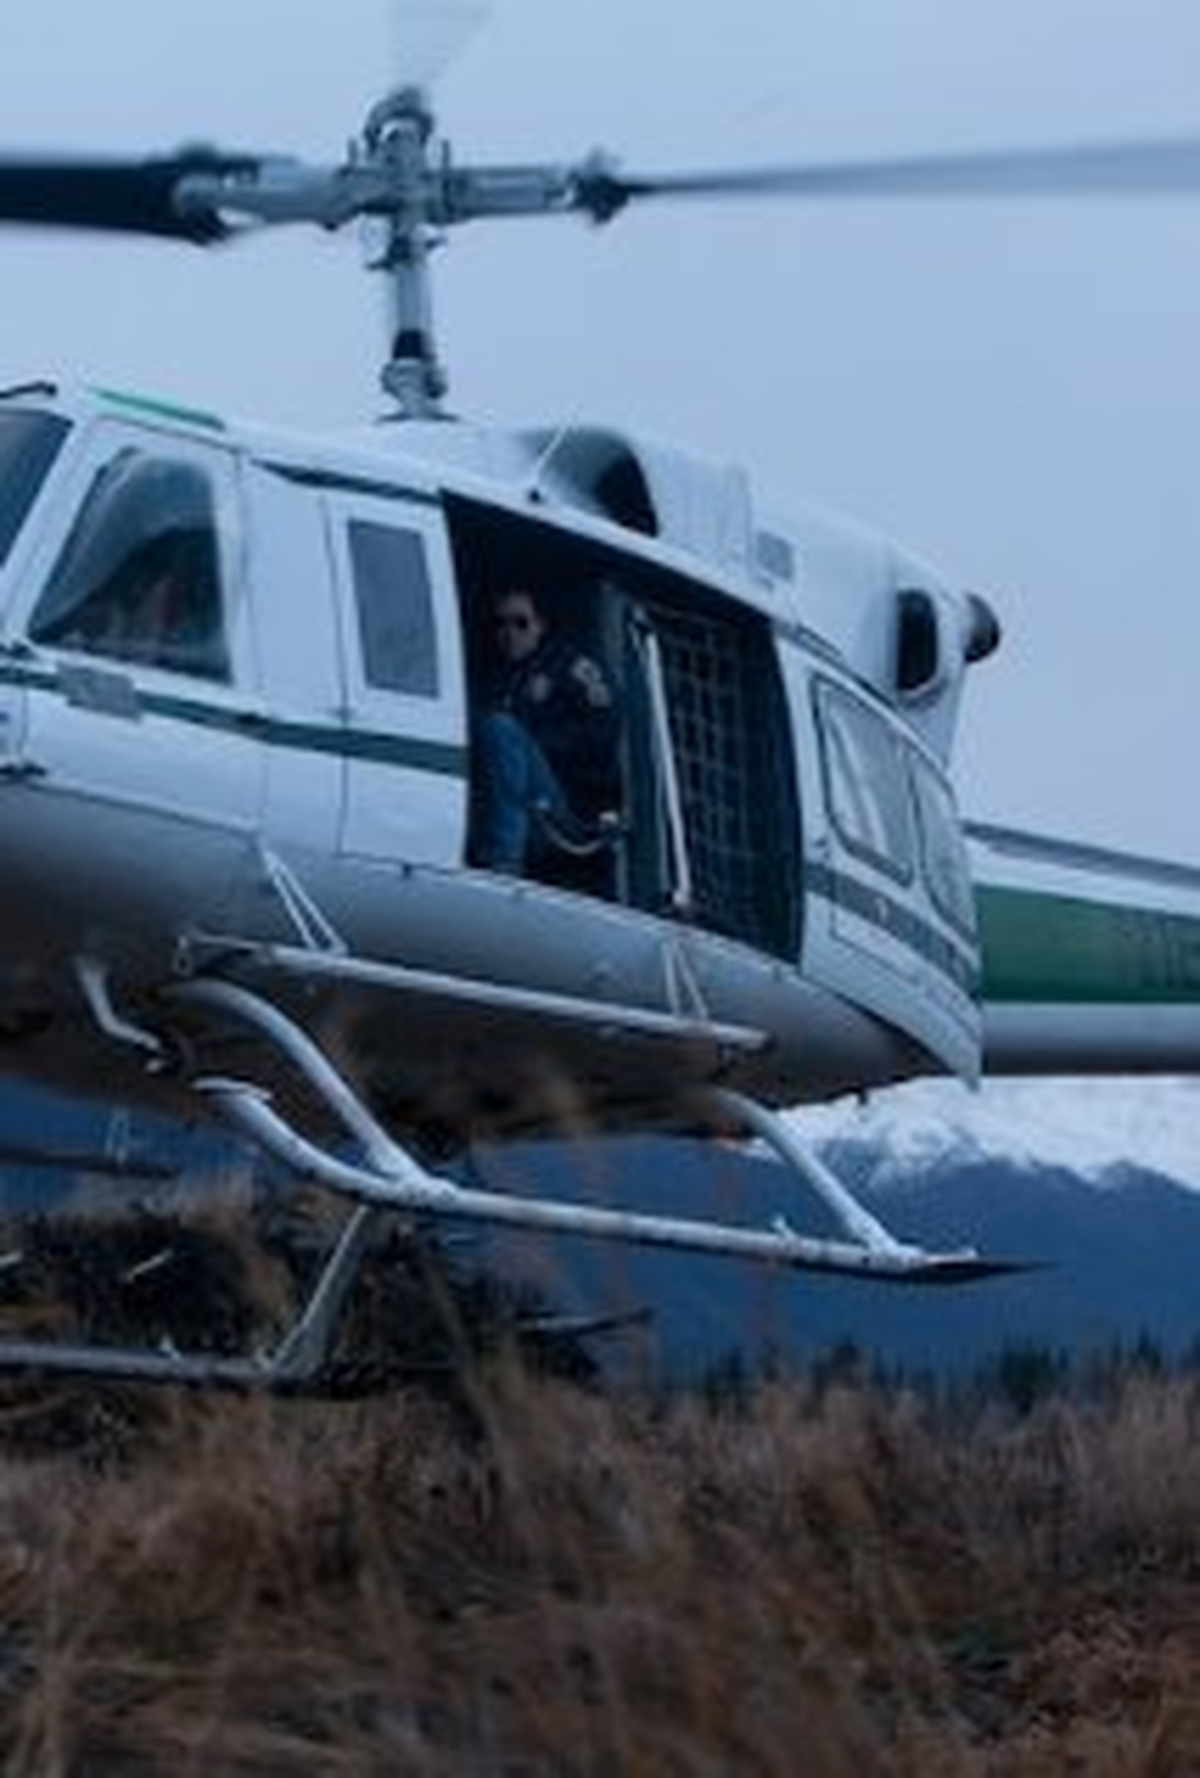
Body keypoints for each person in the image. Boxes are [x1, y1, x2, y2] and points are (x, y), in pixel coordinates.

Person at [472, 586, 622, 877]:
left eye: (521, 623)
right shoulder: (492, 680)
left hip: (566, 812)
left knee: (501, 729)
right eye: (500, 624)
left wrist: (538, 743)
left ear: (540, 626)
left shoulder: (572, 667)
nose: (509, 632)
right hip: (516, 809)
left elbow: (605, 730)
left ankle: (504, 862)